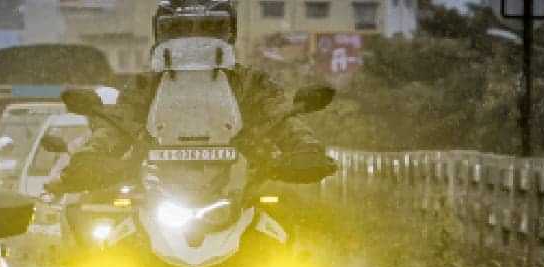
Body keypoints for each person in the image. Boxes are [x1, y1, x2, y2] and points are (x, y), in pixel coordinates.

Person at [46, 0, 336, 194]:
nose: (194, 38)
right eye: (179, 29)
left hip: (241, 190)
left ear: (230, 33)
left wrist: (305, 149)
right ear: (161, 35)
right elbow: (116, 125)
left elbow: (282, 116)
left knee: (289, 248)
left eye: (210, 28)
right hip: (159, 193)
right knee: (107, 259)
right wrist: (91, 157)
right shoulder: (145, 85)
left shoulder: (252, 82)